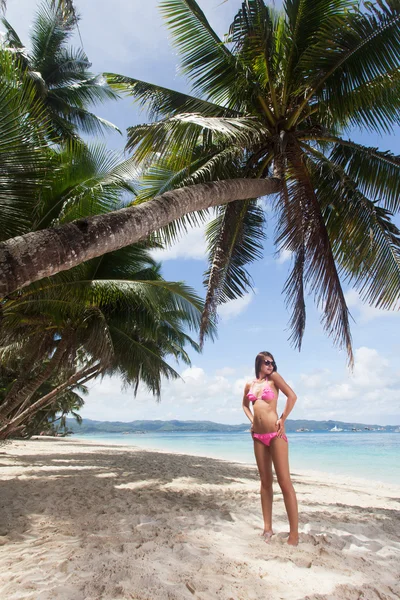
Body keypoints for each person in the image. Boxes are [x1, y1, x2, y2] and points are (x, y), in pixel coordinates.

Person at [242, 351, 299, 545]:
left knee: (284, 482)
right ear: (258, 362)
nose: (271, 365)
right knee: (265, 483)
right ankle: (267, 528)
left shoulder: (273, 379)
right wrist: (252, 422)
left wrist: (282, 418)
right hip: (258, 437)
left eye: (273, 362)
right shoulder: (250, 384)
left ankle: (294, 534)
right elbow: (245, 406)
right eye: (267, 362)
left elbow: (292, 396)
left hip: (276, 436)